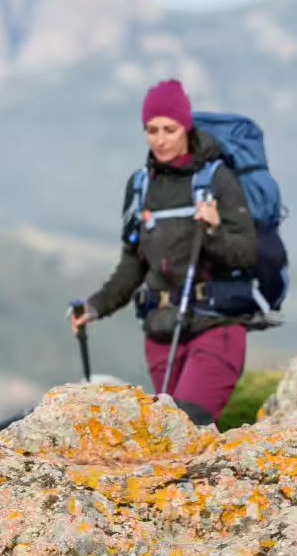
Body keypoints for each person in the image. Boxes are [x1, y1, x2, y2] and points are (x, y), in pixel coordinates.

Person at [69, 79, 257, 425]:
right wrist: (96, 307)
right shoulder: (140, 186)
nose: (160, 139)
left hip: (216, 327)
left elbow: (246, 255)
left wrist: (214, 230)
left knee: (187, 423)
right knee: (165, 432)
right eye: (152, 130)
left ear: (186, 127)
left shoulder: (218, 180)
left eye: (170, 129)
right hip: (161, 332)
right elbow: (133, 263)